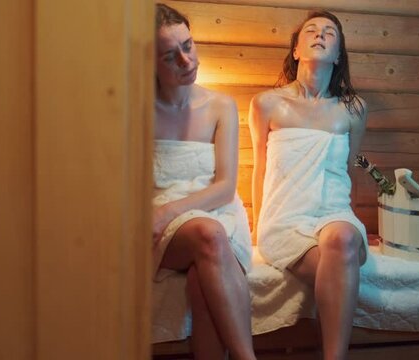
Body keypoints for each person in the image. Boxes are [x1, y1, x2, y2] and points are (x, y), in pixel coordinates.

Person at [249, 10, 368, 360]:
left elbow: (351, 170)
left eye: (329, 33)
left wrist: (355, 220)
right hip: (285, 219)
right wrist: (258, 229)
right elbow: (260, 168)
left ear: (338, 54)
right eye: (311, 31)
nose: (320, 34)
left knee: (343, 238)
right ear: (297, 50)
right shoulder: (267, 103)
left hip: (334, 213)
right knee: (339, 258)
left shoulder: (353, 109)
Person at [151, 4, 255, 360]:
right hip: (167, 227)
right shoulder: (136, 112)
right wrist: (159, 216)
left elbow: (226, 186)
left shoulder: (220, 105)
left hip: (218, 209)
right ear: (149, 64)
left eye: (188, 45)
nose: (186, 60)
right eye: (169, 56)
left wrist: (167, 212)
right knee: (208, 235)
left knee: (202, 279)